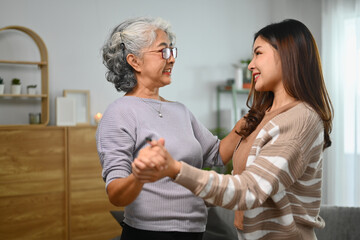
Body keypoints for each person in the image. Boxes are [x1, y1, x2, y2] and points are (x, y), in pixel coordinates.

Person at [133, 19, 334, 240]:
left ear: (287, 55)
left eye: (258, 53)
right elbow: (240, 178)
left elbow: (250, 190)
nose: (250, 65)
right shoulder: (261, 116)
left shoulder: (301, 119)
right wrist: (163, 195)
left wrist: (176, 169)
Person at [96, 17, 242, 240]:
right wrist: (139, 177)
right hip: (148, 234)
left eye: (173, 51)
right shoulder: (119, 112)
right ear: (134, 61)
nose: (172, 59)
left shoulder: (180, 111)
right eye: (163, 52)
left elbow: (217, 154)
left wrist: (246, 123)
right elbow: (116, 194)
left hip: (194, 232)